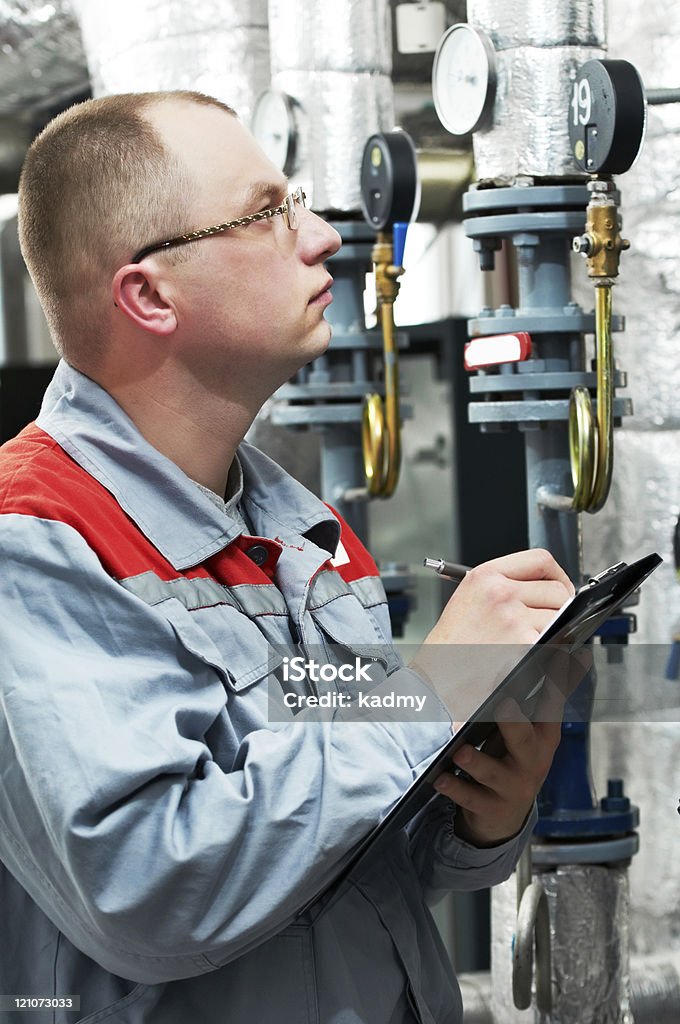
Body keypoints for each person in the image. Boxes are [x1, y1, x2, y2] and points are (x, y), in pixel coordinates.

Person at [0, 91, 576, 1024]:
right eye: (268, 213)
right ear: (148, 295)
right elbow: (148, 886)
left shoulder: (301, 535)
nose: (321, 239)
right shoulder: (35, 539)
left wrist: (481, 807)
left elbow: (343, 864)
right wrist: (426, 694)